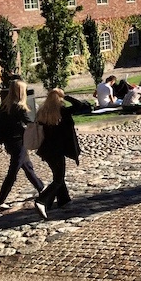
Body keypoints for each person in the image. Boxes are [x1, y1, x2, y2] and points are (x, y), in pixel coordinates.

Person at [33, 89, 87, 219]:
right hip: (58, 150)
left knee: (57, 174)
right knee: (58, 178)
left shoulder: (42, 112)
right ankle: (42, 200)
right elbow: (80, 106)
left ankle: (64, 200)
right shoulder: (63, 112)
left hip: (45, 149)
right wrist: (66, 96)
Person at [0, 79, 45, 210]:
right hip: (19, 142)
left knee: (28, 167)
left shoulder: (5, 105)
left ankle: (42, 189)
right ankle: (0, 200)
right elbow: (30, 123)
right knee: (13, 172)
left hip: (9, 142)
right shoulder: (19, 107)